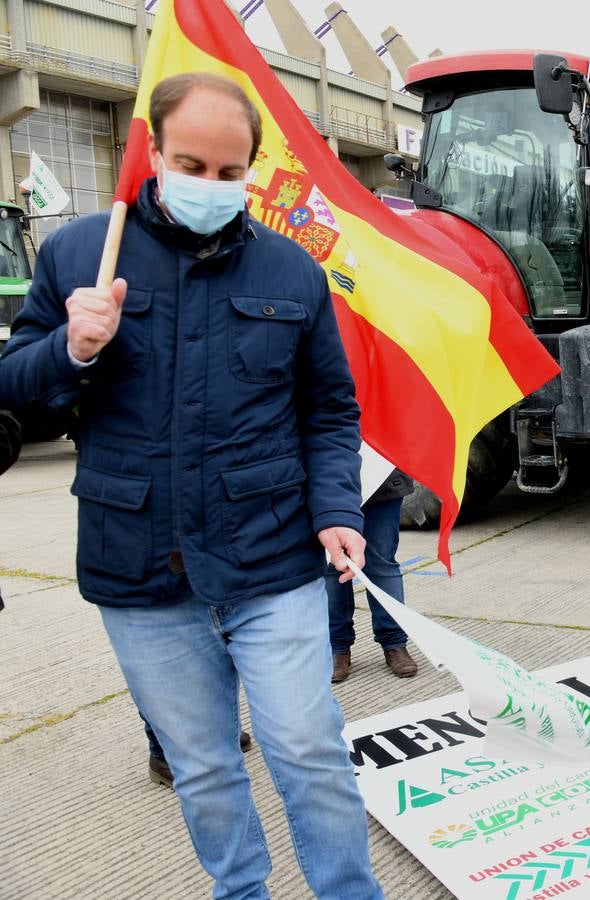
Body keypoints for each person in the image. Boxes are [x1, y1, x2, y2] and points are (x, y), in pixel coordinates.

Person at [0, 73, 383, 897]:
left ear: (250, 166)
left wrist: (337, 511)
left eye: (228, 171)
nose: (210, 186)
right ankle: (239, 890)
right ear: (153, 154)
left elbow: (328, 410)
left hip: (271, 560)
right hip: (139, 568)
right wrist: (72, 344)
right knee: (203, 768)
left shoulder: (291, 271)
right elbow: (14, 388)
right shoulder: (77, 254)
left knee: (310, 751)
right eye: (191, 164)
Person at [330, 469, 418, 683]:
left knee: (381, 563)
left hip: (383, 478)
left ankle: (394, 643)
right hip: (329, 485)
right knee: (332, 566)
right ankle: (336, 647)